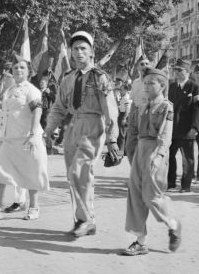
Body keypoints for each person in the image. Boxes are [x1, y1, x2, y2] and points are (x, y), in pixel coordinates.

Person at [45, 31, 119, 238]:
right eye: (75, 49)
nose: (78, 52)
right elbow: (59, 107)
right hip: (73, 126)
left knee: (80, 172)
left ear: (92, 52)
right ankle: (83, 220)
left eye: (83, 48)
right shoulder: (68, 78)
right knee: (72, 176)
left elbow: (110, 110)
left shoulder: (100, 77)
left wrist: (112, 139)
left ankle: (86, 219)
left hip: (93, 125)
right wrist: (48, 131)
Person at [0, 59, 49, 220]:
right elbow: (4, 114)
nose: (18, 70)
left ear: (29, 72)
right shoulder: (9, 90)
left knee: (31, 173)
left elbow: (37, 111)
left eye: (22, 67)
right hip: (9, 139)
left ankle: (34, 208)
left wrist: (32, 134)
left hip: (27, 139)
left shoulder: (32, 91)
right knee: (0, 171)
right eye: (15, 67)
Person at [122, 69, 182, 255]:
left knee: (151, 195)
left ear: (162, 86)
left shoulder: (166, 107)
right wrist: (131, 152)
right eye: (145, 83)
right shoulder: (142, 105)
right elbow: (133, 130)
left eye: (151, 83)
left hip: (155, 151)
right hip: (140, 150)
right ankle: (140, 242)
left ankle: (173, 224)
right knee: (135, 196)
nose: (146, 87)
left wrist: (159, 156)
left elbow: (165, 135)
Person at [167, 58, 199, 193]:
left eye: (179, 70)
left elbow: (198, 110)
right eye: (175, 69)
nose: (176, 72)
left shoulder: (194, 87)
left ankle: (186, 186)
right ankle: (170, 183)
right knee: (170, 157)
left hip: (187, 130)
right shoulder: (172, 87)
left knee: (187, 159)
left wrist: (195, 128)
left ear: (187, 72)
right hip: (172, 129)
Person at [38, 76, 56, 155]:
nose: (41, 84)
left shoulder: (48, 91)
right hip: (38, 112)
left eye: (43, 83)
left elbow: (55, 99)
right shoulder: (37, 91)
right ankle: (39, 147)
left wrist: (50, 94)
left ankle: (49, 149)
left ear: (46, 84)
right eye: (40, 83)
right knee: (38, 130)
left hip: (46, 113)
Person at [117, 82, 132, 152]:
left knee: (122, 133)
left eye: (121, 90)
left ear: (126, 90)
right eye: (120, 89)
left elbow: (127, 109)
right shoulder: (123, 97)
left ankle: (121, 149)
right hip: (122, 114)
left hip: (123, 115)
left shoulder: (126, 98)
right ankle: (125, 150)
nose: (120, 91)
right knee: (123, 133)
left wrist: (124, 118)